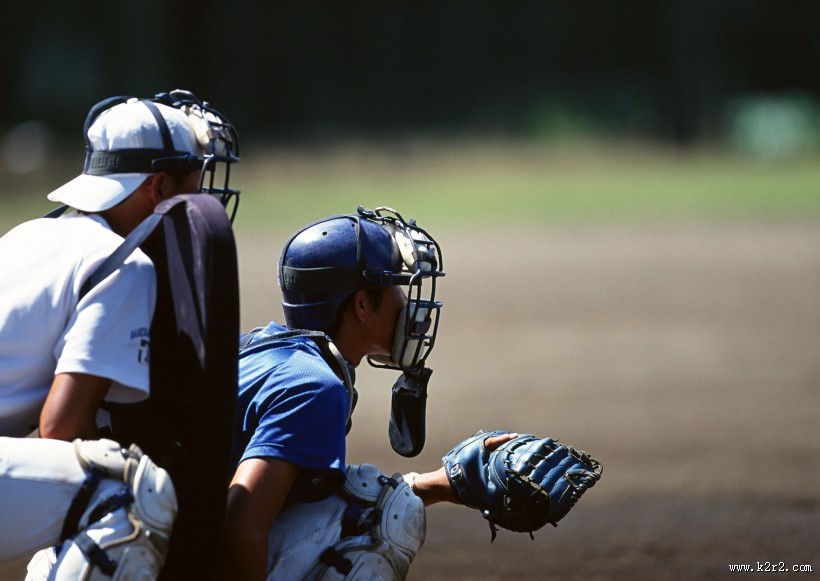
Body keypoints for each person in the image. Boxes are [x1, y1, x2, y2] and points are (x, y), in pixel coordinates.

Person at [0, 89, 240, 578]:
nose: (202, 191)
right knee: (131, 493)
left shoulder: (26, 235)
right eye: (194, 176)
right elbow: (60, 428)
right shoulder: (123, 264)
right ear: (158, 185)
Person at [219, 206, 518, 580]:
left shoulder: (262, 348)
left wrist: (441, 485)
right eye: (395, 286)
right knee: (379, 528)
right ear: (362, 304)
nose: (406, 302)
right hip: (180, 559)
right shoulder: (314, 386)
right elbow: (241, 527)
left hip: (169, 539)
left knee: (373, 504)